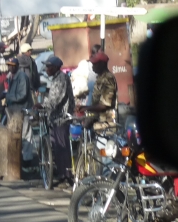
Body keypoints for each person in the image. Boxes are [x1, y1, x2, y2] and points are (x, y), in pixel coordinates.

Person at [35, 56, 75, 186]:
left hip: (61, 118)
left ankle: (67, 174)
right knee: (56, 147)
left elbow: (56, 98)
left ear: (56, 67)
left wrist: (43, 105)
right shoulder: (55, 79)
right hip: (54, 118)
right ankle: (61, 173)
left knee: (62, 147)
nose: (47, 69)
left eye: (49, 67)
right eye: (46, 66)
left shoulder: (61, 78)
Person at [79, 51, 118, 130]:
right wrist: (84, 107)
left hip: (106, 124)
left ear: (102, 64)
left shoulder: (108, 79)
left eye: (95, 64)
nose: (93, 67)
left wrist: (86, 108)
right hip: (98, 121)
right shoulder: (100, 78)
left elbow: (104, 105)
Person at [6, 57, 34, 163]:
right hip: (14, 110)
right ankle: (19, 158)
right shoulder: (10, 76)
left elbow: (22, 95)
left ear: (17, 66)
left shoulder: (22, 77)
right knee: (15, 134)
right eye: (9, 65)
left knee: (25, 134)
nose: (10, 67)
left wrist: (8, 96)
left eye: (12, 66)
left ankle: (27, 159)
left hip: (23, 109)